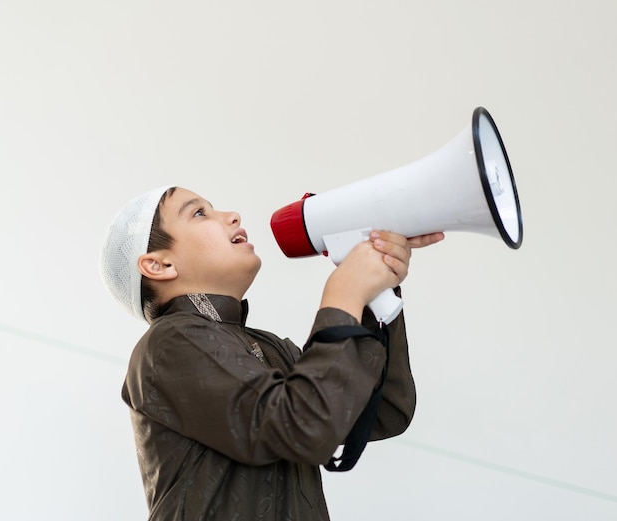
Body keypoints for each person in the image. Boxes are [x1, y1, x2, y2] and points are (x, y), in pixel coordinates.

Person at [100, 185, 444, 520]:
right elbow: (305, 424)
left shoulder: (270, 348)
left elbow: (384, 409)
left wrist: (375, 291)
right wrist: (345, 292)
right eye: (199, 213)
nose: (232, 216)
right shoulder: (169, 342)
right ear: (159, 266)